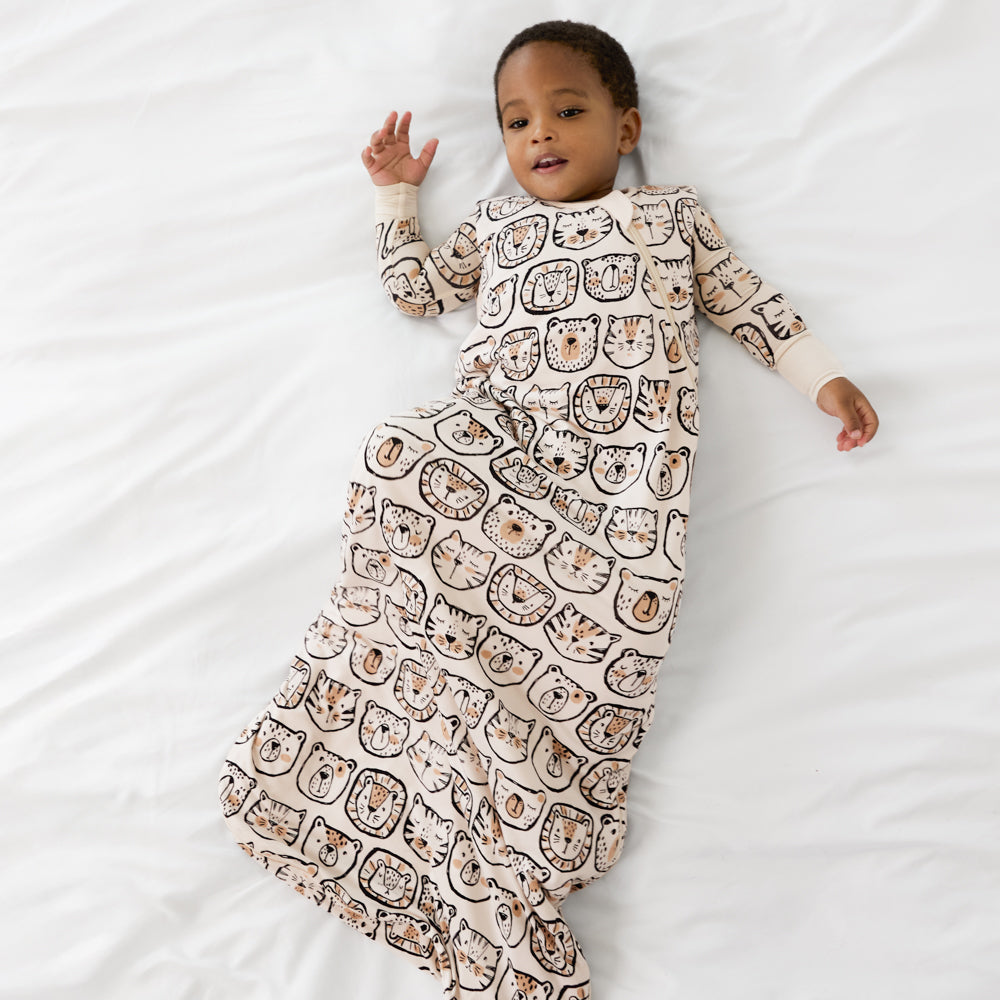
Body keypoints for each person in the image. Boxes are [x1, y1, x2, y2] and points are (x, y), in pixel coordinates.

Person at [219, 19, 879, 1000]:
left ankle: (516, 832)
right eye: (515, 121)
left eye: (566, 111)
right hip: (502, 454)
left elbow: (751, 303)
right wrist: (396, 194)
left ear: (626, 126)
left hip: (616, 500)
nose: (539, 135)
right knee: (399, 452)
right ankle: (457, 794)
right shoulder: (497, 229)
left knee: (596, 628)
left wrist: (825, 381)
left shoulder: (670, 220)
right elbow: (415, 290)